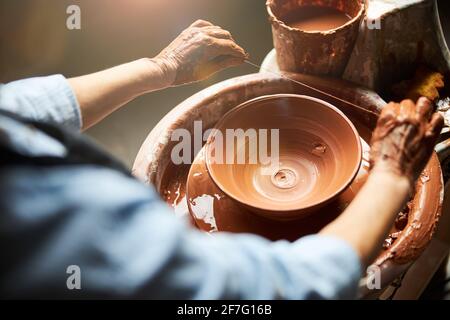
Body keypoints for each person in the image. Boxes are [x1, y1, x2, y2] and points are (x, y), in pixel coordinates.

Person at [0, 19, 444, 299]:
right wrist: (390, 175)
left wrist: (162, 67)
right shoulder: (50, 225)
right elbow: (277, 290)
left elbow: (15, 111)